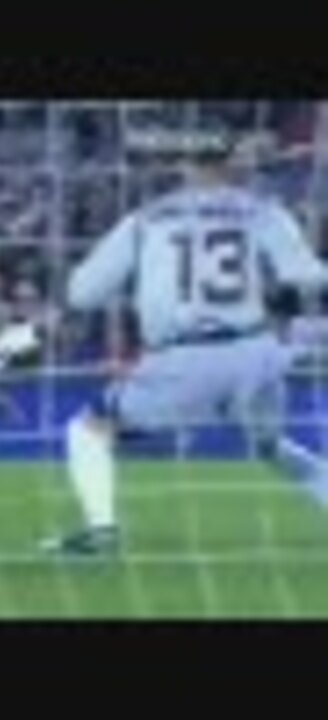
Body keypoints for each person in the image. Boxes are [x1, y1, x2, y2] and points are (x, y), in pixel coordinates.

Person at [42, 128, 328, 556]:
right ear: (231, 163)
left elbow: (83, 293)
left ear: (185, 164)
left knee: (89, 428)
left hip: (185, 355)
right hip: (257, 352)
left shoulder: (146, 219)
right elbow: (306, 277)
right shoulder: (264, 211)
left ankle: (101, 530)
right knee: (268, 445)